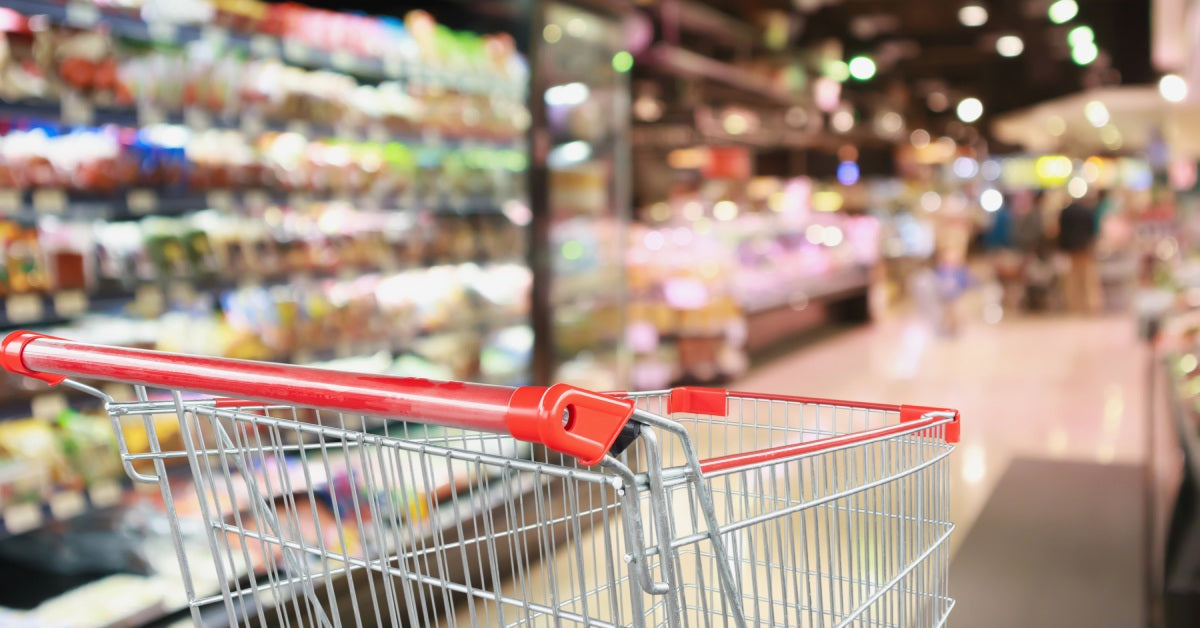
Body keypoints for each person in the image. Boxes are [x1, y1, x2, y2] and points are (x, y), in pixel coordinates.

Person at [1057, 191, 1101, 314]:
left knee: (1072, 278)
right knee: (1088, 277)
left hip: (1071, 249)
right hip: (1085, 248)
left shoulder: (1065, 212)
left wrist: (1063, 248)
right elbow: (1093, 231)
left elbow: (1062, 233)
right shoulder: (1087, 211)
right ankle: (1091, 305)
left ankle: (1073, 305)